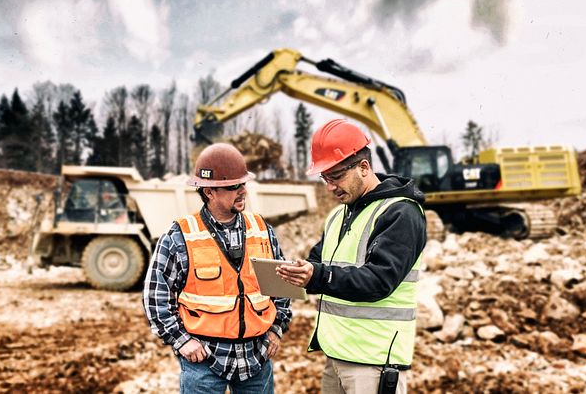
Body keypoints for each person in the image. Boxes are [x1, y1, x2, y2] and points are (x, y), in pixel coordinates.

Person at [277, 119, 426, 394]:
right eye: (325, 178)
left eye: (336, 177)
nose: (330, 187)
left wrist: (317, 275)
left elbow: (379, 280)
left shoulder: (400, 213)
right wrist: (297, 272)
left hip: (374, 360)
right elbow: (318, 263)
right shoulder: (338, 215)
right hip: (336, 353)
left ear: (364, 167)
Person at [143, 143, 292, 394]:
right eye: (234, 186)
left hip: (256, 359)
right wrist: (182, 341)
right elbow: (156, 297)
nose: (243, 190)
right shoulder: (180, 235)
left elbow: (281, 285)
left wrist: (277, 328)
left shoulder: (261, 229)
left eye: (243, 183)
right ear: (210, 192)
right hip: (204, 363)